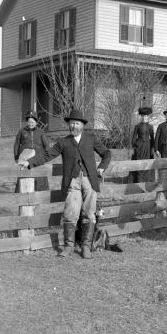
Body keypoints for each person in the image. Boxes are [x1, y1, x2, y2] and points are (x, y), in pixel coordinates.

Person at [19, 109, 111, 259]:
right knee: (70, 213)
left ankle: (85, 247)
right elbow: (47, 155)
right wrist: (29, 162)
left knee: (89, 214)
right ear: (69, 125)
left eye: (77, 123)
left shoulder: (91, 139)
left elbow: (107, 153)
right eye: (71, 123)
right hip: (72, 182)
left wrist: (102, 167)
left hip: (90, 181)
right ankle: (68, 246)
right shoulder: (63, 142)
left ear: (82, 125)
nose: (74, 126)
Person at [13, 110, 50, 192]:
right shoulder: (22, 131)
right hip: (24, 158)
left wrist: (47, 156)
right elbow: (16, 145)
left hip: (38, 158)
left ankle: (40, 192)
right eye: (29, 122)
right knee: (24, 177)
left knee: (39, 177)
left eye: (32, 122)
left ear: (36, 122)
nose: (31, 123)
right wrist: (16, 157)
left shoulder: (40, 132)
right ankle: (23, 192)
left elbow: (46, 145)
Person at [131, 106, 155, 183]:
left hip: (148, 146)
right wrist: (134, 147)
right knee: (139, 161)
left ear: (148, 117)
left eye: (146, 116)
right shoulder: (137, 126)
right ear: (141, 117)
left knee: (147, 161)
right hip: (139, 145)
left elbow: (152, 138)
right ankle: (139, 180)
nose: (144, 118)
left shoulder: (150, 127)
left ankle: (147, 180)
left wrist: (153, 148)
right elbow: (134, 137)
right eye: (143, 116)